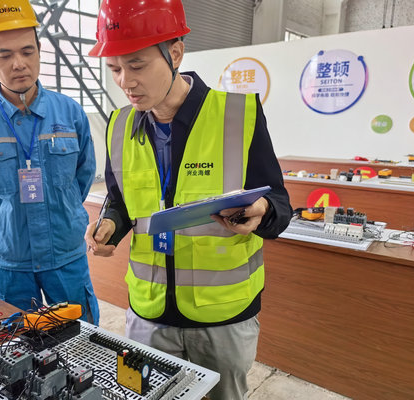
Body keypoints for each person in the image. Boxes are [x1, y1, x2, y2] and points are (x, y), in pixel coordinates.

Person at [85, 0, 291, 398]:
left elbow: (280, 205)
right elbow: (120, 199)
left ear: (175, 53)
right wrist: (110, 224)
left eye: (137, 65)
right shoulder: (119, 125)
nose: (126, 82)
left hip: (223, 316)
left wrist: (262, 211)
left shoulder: (238, 116)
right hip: (149, 312)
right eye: (115, 69)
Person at [0, 0, 99, 324]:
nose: (19, 64)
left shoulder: (70, 113)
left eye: (27, 51)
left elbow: (83, 176)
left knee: (81, 333)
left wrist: (62, 207)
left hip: (65, 252)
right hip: (9, 257)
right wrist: (0, 219)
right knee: (19, 340)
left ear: (39, 50)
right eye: (4, 55)